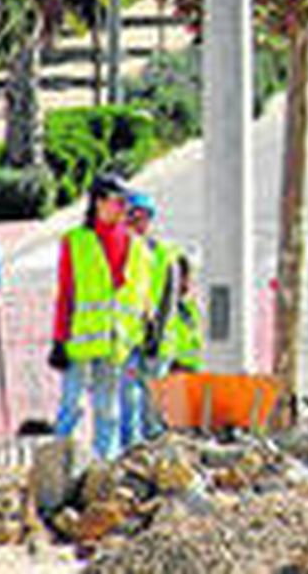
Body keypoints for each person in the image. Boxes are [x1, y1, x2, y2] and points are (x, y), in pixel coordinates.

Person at [51, 173, 151, 462]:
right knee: (73, 406)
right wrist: (59, 339)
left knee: (109, 411)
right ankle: (60, 465)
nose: (124, 209)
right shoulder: (77, 242)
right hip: (79, 342)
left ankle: (102, 466)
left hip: (116, 345)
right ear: (98, 202)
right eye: (118, 201)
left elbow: (140, 298)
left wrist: (145, 335)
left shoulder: (138, 248)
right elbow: (66, 293)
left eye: (126, 203)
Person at [119, 190, 181, 449]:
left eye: (142, 217)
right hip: (127, 338)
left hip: (156, 339)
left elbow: (170, 296)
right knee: (127, 398)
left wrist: (157, 333)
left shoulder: (163, 254)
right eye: (132, 216)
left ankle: (154, 447)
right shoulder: (117, 252)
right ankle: (130, 448)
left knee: (152, 401)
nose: (137, 222)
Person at [161, 253, 204, 374]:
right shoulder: (167, 306)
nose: (188, 282)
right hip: (173, 368)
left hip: (190, 370)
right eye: (185, 277)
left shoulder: (190, 307)